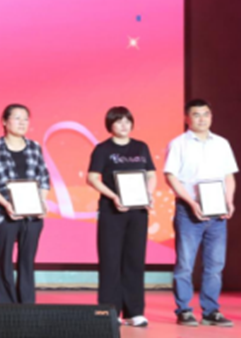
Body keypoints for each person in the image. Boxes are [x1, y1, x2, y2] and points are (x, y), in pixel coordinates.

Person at [164, 98, 238, 327]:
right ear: (187, 118)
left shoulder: (222, 143)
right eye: (196, 114)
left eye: (206, 114)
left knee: (215, 265)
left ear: (211, 116)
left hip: (217, 212)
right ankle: (184, 310)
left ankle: (211, 311)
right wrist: (190, 201)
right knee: (185, 264)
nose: (202, 119)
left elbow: (229, 175)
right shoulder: (178, 144)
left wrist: (229, 200)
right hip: (189, 209)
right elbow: (170, 176)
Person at [86, 106, 156, 327]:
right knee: (110, 261)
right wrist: (114, 197)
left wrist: (148, 194)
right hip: (112, 211)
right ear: (110, 125)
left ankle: (135, 312)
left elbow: (151, 174)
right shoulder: (103, 149)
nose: (124, 125)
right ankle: (110, 311)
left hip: (138, 212)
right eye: (118, 121)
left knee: (135, 260)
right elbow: (92, 178)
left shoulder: (141, 147)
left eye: (127, 121)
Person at [0, 104, 50, 304]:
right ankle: (6, 308)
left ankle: (27, 308)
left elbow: (44, 178)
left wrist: (42, 202)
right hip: (5, 215)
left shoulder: (34, 147)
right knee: (4, 261)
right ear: (4, 121)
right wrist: (6, 204)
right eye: (17, 118)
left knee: (27, 262)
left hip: (33, 216)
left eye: (25, 119)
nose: (22, 122)